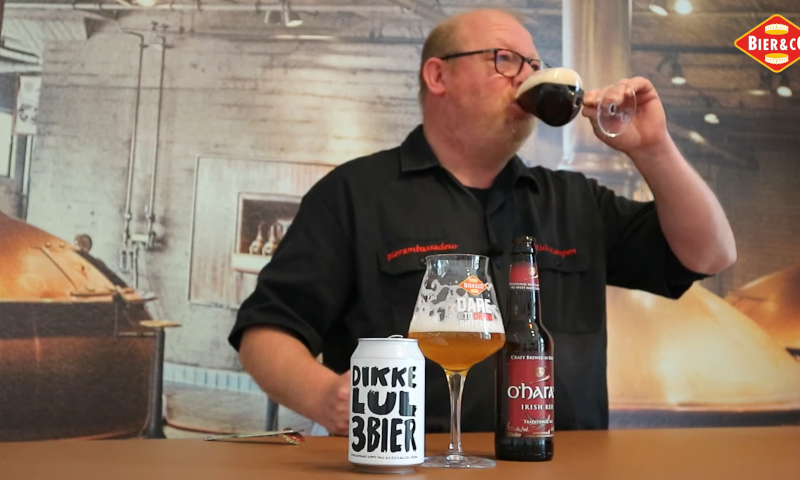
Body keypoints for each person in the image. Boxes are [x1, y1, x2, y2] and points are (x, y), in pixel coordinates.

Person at [228, 8, 737, 436]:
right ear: (438, 76)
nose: (526, 77)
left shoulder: (575, 201)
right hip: (410, 470)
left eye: (534, 65)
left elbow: (710, 254)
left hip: (559, 469)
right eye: (505, 59)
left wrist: (653, 148)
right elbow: (266, 332)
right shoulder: (353, 195)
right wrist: (324, 397)